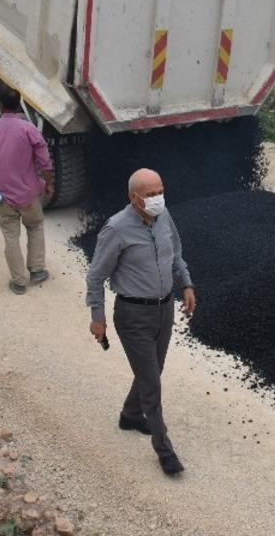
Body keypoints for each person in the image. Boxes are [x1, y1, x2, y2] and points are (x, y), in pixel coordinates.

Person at [86, 169, 197, 476]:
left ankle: (130, 415)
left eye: (160, 191)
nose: (157, 198)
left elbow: (176, 253)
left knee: (153, 369)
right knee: (151, 382)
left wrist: (186, 285)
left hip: (164, 308)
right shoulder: (116, 229)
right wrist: (98, 318)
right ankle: (165, 450)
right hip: (133, 315)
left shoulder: (164, 217)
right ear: (133, 198)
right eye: (150, 195)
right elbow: (96, 276)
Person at [0, 88, 55, 295]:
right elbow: (45, 162)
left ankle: (19, 282)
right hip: (28, 194)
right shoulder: (28, 129)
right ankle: (37, 270)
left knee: (10, 236)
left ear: (0, 106)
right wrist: (49, 184)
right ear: (19, 105)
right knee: (35, 226)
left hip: (0, 195)